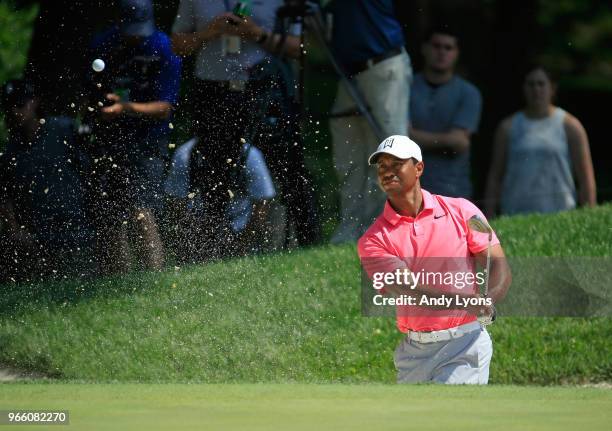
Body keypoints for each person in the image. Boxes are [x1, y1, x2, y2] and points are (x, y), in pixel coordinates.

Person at [358, 135, 511, 384]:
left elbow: (498, 264)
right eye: (382, 166)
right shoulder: (373, 240)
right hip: (414, 352)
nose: (387, 171)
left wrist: (487, 301)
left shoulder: (463, 211)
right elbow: (409, 290)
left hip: (465, 343)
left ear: (419, 168)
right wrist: (467, 302)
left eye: (397, 163)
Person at [171, 0, 320, 255]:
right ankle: (213, 252)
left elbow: (301, 47)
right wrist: (209, 33)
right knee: (214, 173)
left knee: (290, 166)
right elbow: (177, 45)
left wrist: (256, 33)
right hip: (213, 92)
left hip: (264, 87)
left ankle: (311, 245)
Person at [83, 0, 181, 274]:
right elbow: (90, 90)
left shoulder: (164, 49)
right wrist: (102, 103)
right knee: (110, 211)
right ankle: (119, 277)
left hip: (149, 140)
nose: (135, 36)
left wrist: (125, 108)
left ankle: (153, 275)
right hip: (110, 137)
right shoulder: (103, 45)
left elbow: (164, 108)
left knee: (141, 208)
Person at [326, 0, 412, 243]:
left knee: (391, 152)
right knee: (348, 154)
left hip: (382, 64)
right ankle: (350, 228)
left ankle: (389, 228)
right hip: (350, 72)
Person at [0, 80, 92, 281]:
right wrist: (15, 232)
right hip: (35, 239)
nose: (14, 111)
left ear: (34, 102)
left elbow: (90, 171)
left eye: (19, 104)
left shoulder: (63, 130)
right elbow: (4, 196)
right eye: (9, 106)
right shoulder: (9, 151)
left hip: (75, 233)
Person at [485, 66, 597, 216]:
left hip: (560, 213)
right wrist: (489, 216)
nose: (536, 89)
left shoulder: (570, 125)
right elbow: (495, 176)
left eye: (541, 84)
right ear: (523, 88)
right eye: (531, 84)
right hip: (515, 213)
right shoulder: (507, 127)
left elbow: (586, 178)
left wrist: (589, 215)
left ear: (552, 88)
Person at [164, 137, 277, 260]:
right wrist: (190, 239)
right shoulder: (185, 154)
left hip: (239, 230)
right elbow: (176, 204)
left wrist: (242, 243)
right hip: (197, 231)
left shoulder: (250, 155)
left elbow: (263, 201)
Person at [409, 26, 482, 199]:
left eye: (448, 48)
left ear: (457, 53)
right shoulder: (405, 88)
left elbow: (459, 143)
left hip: (453, 193)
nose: (442, 52)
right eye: (436, 46)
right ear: (424, 49)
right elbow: (396, 138)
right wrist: (445, 140)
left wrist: (412, 137)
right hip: (408, 192)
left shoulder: (468, 93)